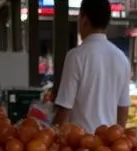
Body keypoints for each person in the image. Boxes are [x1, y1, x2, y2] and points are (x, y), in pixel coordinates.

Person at [53, 0, 129, 132]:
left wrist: (51, 134)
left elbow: (64, 109)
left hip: (80, 147)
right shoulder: (121, 58)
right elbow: (123, 109)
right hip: (108, 147)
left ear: (84, 19)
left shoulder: (75, 56)